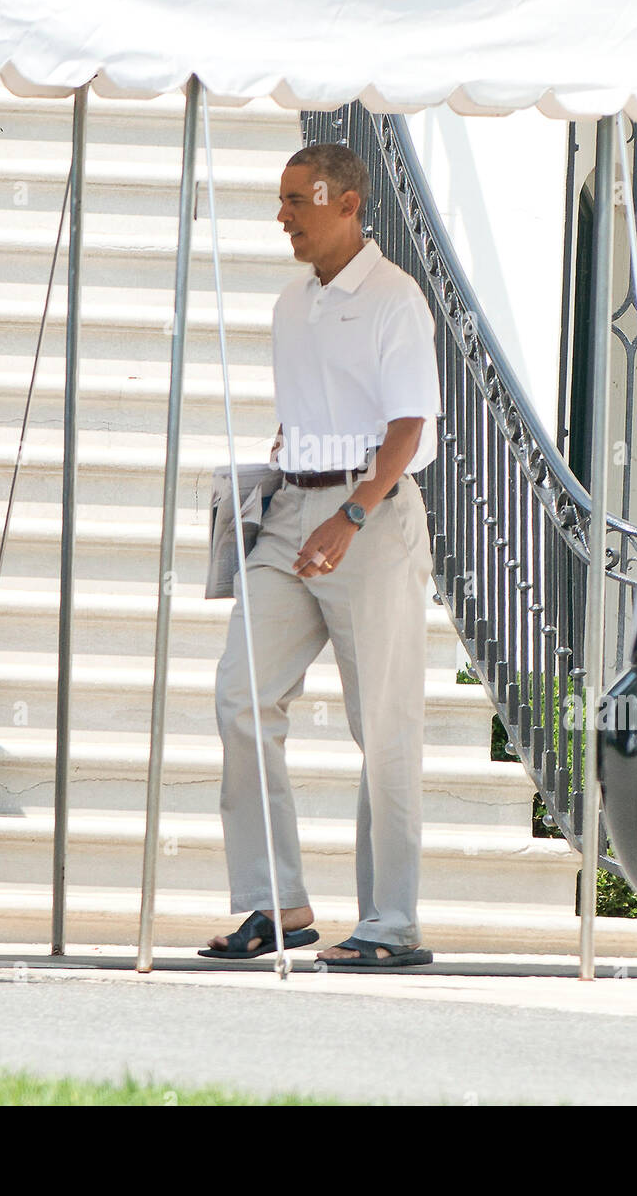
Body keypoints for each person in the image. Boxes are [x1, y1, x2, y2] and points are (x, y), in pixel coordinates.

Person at [199, 142, 442, 967]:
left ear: (346, 204)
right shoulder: (290, 303)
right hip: (293, 509)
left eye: (296, 200)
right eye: (281, 199)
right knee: (241, 696)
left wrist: (350, 512)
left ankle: (390, 923)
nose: (282, 216)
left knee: (383, 724)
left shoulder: (395, 299)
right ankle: (276, 902)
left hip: (367, 515)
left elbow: (409, 427)